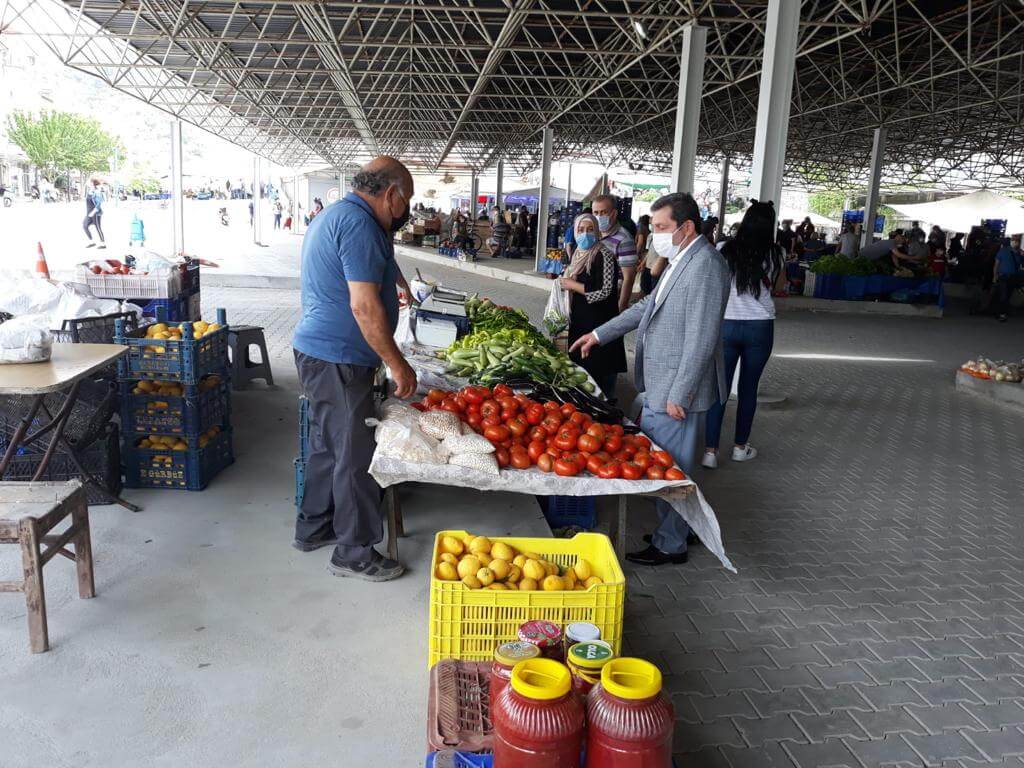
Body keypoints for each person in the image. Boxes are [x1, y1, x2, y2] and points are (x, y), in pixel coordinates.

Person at [571, 192, 730, 566]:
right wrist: (599, 334)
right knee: (671, 464)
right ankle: (677, 531)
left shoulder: (705, 266)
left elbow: (702, 338)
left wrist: (681, 393)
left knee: (671, 471)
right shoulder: (680, 259)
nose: (654, 234)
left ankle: (670, 545)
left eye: (661, 228)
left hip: (676, 389)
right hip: (663, 383)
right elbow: (647, 306)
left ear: (686, 227)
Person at [291, 156, 417, 582]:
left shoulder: (341, 215)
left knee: (329, 445)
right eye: (406, 202)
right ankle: (354, 551)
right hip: (340, 356)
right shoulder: (362, 225)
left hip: (318, 352)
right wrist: (396, 363)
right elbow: (363, 307)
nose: (405, 212)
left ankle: (314, 526)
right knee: (356, 455)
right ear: (391, 194)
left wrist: (393, 275)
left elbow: (362, 265)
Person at [702, 201, 784, 469]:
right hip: (760, 327)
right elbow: (781, 288)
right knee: (748, 389)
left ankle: (710, 452)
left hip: (726, 324)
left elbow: (713, 280)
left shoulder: (725, 248)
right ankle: (739, 448)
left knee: (719, 390)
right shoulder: (777, 253)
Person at [559, 213, 627, 399]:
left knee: (601, 372)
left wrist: (573, 285)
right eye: (580, 230)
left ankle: (607, 411)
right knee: (583, 370)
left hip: (600, 322)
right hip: (582, 321)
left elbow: (605, 291)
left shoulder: (604, 254)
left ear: (597, 231)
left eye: (590, 229)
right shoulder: (579, 254)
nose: (585, 234)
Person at [591, 194, 638, 312]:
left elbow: (629, 277)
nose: (598, 216)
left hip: (609, 301)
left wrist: (621, 307)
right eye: (595, 213)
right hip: (591, 296)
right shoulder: (593, 234)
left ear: (614, 213)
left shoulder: (624, 239)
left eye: (603, 212)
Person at [992, 237, 1024, 321]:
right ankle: (1003, 313)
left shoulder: (1004, 251)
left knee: (1004, 295)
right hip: (1009, 277)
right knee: (1006, 295)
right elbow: (1019, 264)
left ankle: (1000, 313)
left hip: (1006, 277)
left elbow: (996, 265)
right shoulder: (1011, 252)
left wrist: (995, 276)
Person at [635, 215, 655, 296]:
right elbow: (649, 250)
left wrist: (636, 254)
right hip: (648, 260)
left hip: (649, 261)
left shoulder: (641, 228)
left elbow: (640, 242)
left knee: (646, 285)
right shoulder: (650, 232)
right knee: (645, 285)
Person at [83, 179, 106, 249]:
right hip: (89, 213)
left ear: (93, 184)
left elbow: (99, 203)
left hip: (95, 213)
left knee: (98, 228)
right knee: (85, 225)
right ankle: (92, 242)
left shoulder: (97, 192)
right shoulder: (89, 191)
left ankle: (103, 244)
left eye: (90, 182)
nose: (88, 183)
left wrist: (93, 212)